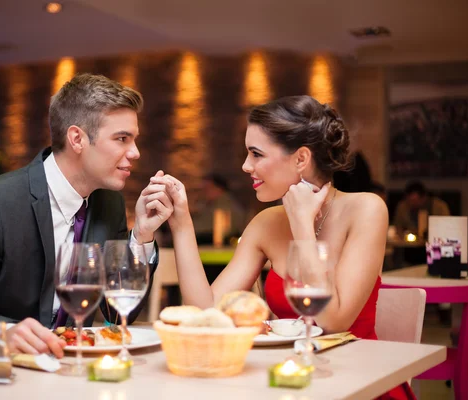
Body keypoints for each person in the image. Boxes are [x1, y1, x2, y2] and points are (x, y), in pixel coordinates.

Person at [152, 96, 412, 399]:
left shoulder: (367, 209)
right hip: (290, 382)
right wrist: (181, 223)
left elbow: (333, 322)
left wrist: (302, 225)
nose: (246, 166)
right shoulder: (266, 223)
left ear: (301, 159)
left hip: (359, 383)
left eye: (256, 154)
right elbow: (206, 311)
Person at [0, 73, 174, 358]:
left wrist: (142, 236)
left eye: (134, 139)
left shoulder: (109, 203)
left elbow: (117, 312)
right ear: (77, 138)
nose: (135, 152)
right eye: (122, 138)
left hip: (73, 372)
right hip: (7, 374)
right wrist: (4, 334)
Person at [191, 173, 246, 244]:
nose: (204, 192)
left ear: (219, 189)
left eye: (207, 188)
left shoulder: (225, 206)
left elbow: (224, 233)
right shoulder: (206, 204)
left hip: (212, 242)